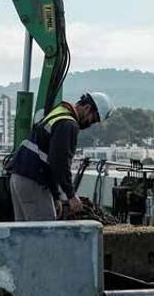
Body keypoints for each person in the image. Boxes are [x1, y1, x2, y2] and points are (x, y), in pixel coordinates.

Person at [8, 92, 114, 220]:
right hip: (33, 181)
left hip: (19, 177)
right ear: (87, 108)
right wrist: (71, 196)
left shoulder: (59, 113)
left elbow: (49, 159)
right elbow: (59, 162)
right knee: (44, 232)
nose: (91, 124)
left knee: (24, 233)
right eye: (94, 119)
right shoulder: (68, 124)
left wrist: (56, 196)